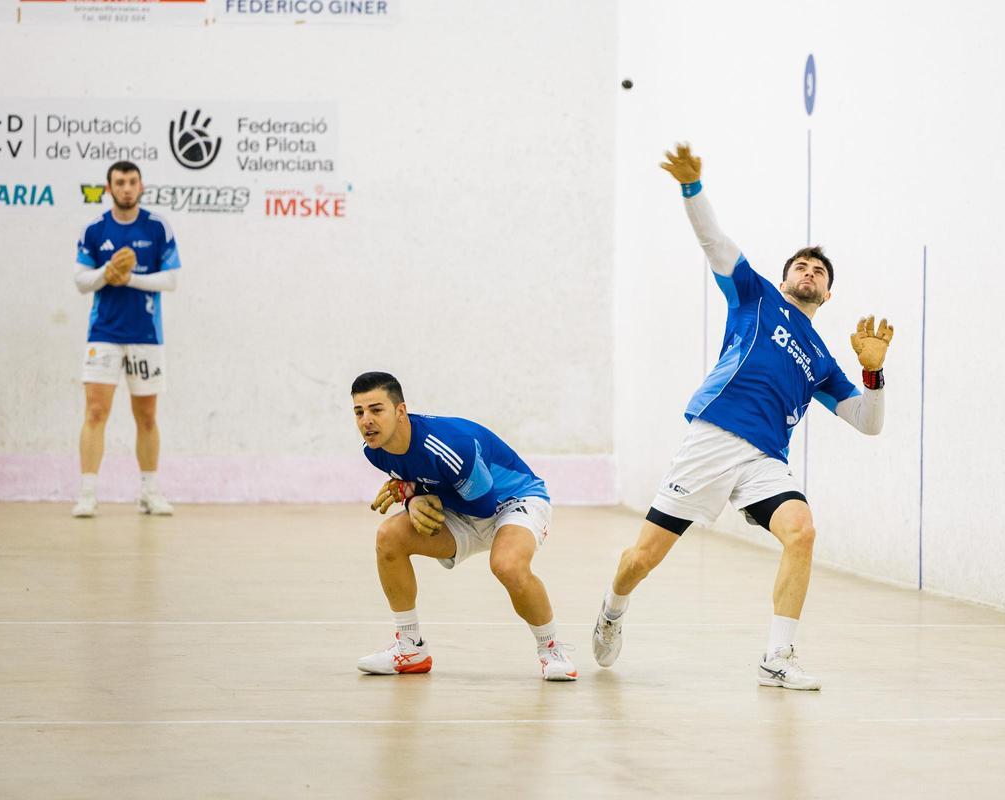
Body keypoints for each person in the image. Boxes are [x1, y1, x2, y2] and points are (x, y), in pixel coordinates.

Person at [592, 143, 894, 690]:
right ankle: (613, 608)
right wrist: (691, 187)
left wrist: (873, 373)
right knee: (643, 558)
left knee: (801, 532)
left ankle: (777, 657)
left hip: (764, 459)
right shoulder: (754, 296)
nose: (809, 272)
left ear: (828, 293)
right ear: (785, 279)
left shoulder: (823, 360)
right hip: (713, 438)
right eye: (801, 266)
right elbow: (714, 241)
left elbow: (868, 423)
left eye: (819, 271)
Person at [352, 371, 577, 681]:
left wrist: (414, 492)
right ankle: (410, 648)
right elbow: (424, 488)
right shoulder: (375, 452)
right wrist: (412, 498)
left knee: (507, 565)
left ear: (400, 411)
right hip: (462, 508)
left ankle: (551, 649)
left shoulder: (449, 446)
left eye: (376, 410)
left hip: (511, 502)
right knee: (389, 536)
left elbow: (484, 506)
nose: (367, 421)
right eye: (359, 412)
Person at [71, 161, 180, 518]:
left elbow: (170, 280)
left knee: (147, 416)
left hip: (146, 335)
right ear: (109, 188)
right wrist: (108, 271)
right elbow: (81, 281)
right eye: (120, 182)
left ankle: (149, 492)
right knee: (95, 411)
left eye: (133, 182)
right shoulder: (94, 229)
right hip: (103, 334)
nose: (127, 188)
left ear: (141, 186)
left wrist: (128, 278)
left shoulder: (157, 226)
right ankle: (87, 494)